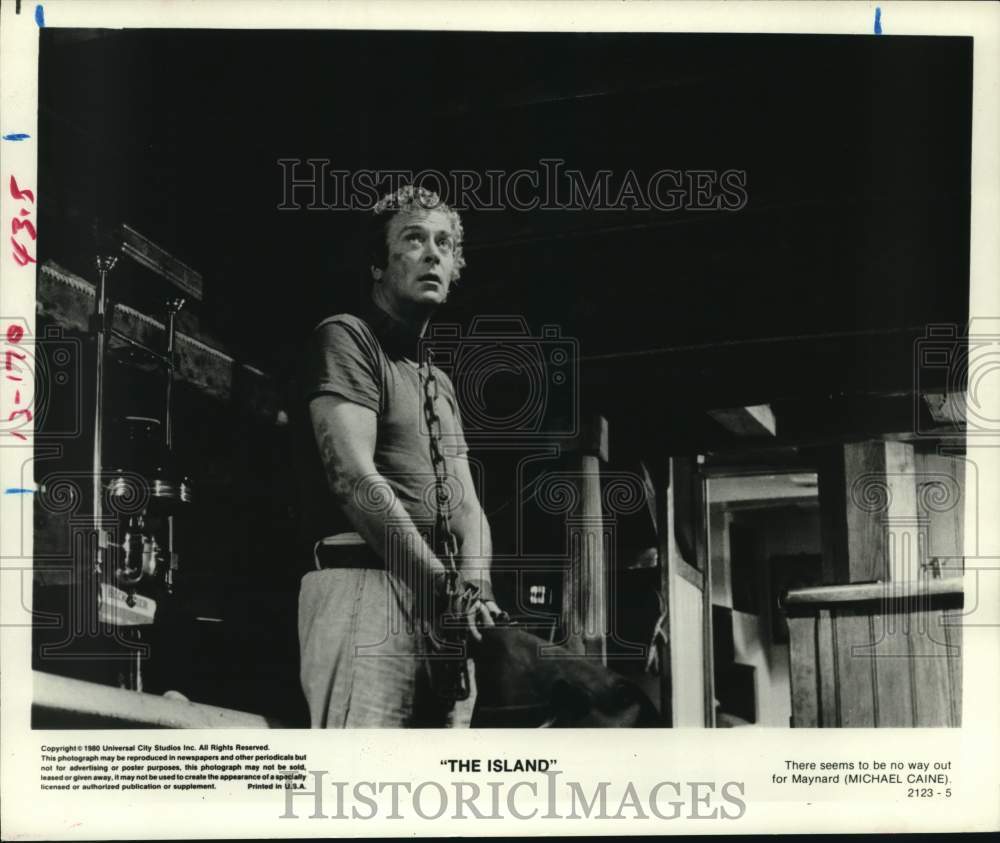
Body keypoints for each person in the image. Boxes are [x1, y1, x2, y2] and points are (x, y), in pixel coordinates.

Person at [297, 185, 503, 728]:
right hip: (366, 585)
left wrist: (474, 584)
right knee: (364, 787)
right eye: (413, 239)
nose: (433, 253)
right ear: (377, 264)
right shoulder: (347, 338)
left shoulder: (437, 382)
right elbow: (354, 479)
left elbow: (468, 510)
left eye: (444, 243)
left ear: (456, 266)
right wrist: (445, 587)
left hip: (441, 601)